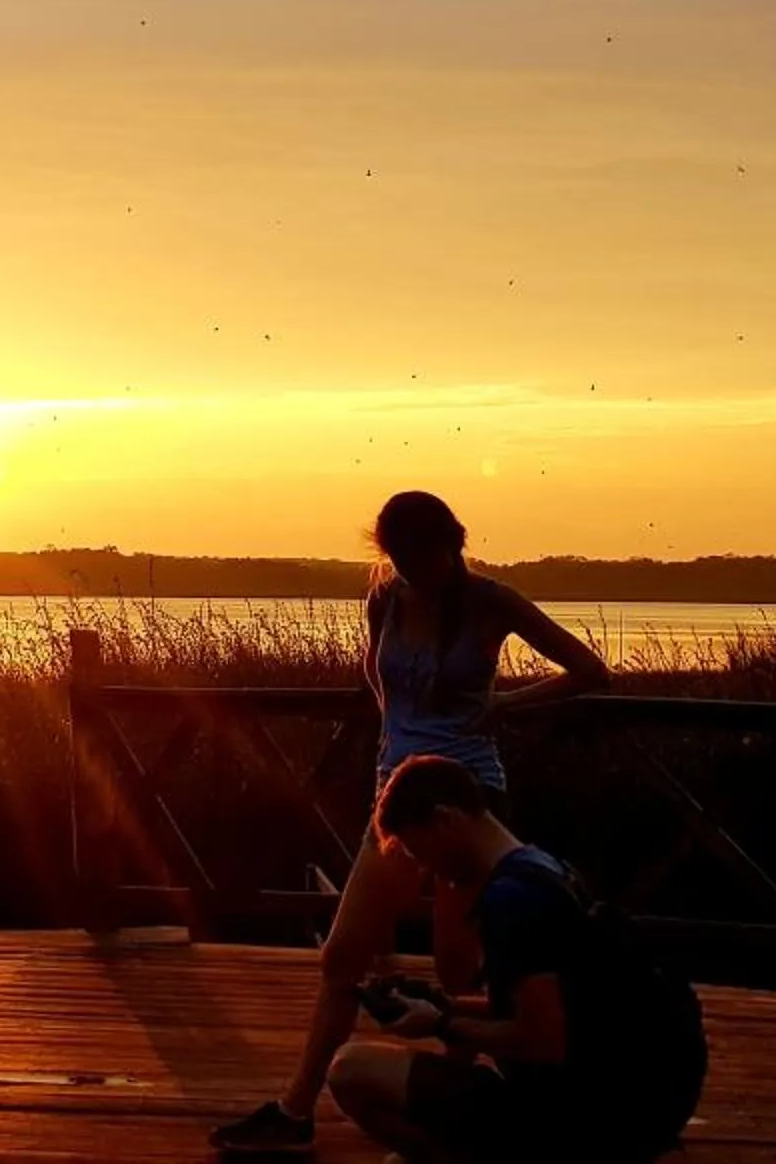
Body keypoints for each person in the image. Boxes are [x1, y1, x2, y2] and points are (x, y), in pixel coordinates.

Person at [211, 491, 614, 1154]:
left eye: (419, 557)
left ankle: (438, 1109)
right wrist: (396, 734)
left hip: (467, 796)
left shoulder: (493, 602)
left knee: (456, 968)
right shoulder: (386, 600)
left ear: (452, 544)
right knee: (343, 955)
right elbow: (375, 672)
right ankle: (294, 1111)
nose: (409, 570)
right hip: (395, 794)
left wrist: (504, 704)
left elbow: (589, 672)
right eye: (396, 558)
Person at [327, 754, 706, 1163]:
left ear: (447, 819)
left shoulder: (512, 901)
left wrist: (441, 1024)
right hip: (625, 1106)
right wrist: (443, 1003)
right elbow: (547, 1007)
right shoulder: (543, 869)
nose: (424, 870)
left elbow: (544, 1040)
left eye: (421, 852)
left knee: (351, 1070)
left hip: (575, 1121)